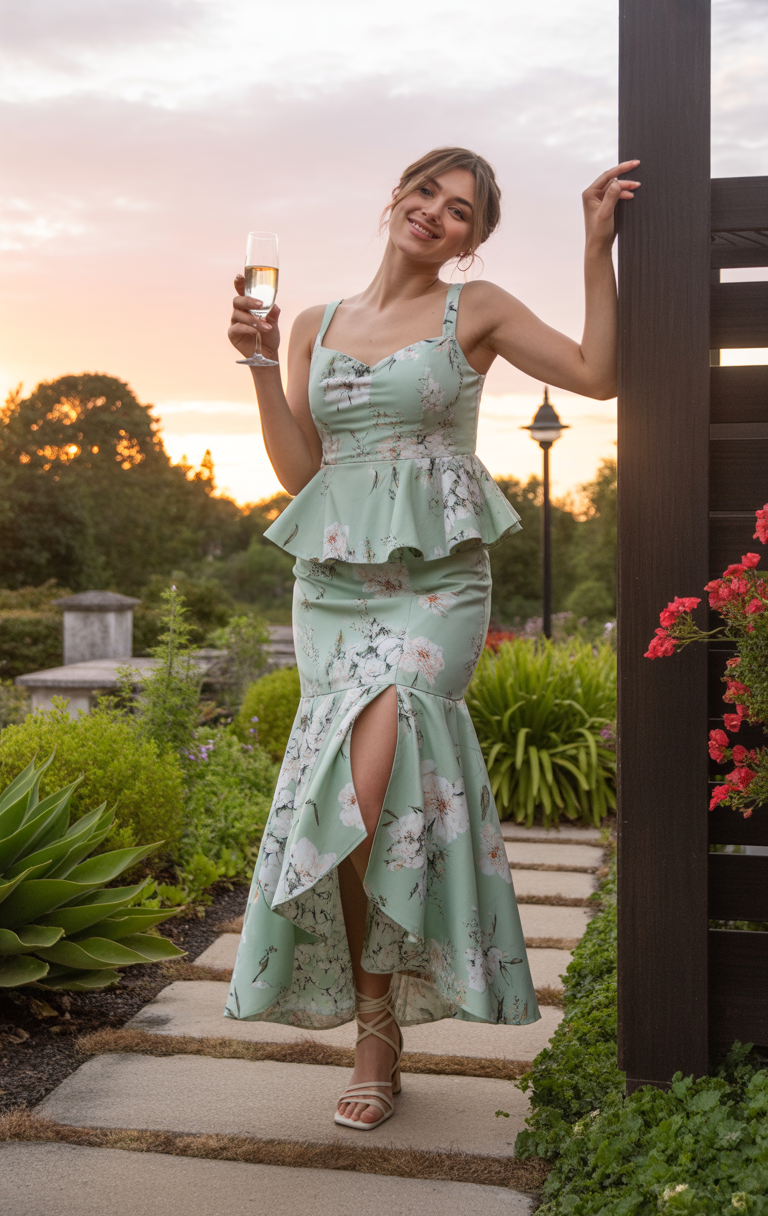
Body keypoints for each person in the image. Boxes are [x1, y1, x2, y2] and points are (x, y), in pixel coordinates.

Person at [225, 146, 639, 1130]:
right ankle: (378, 1027)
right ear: (397, 197)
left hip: (437, 584)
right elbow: (301, 472)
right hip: (334, 585)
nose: (435, 213)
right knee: (353, 804)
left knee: (370, 789)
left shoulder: (475, 309)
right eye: (426, 192)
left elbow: (598, 376)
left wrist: (597, 247)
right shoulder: (315, 322)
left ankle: (378, 1030)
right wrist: (260, 361)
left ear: (471, 241)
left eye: (459, 211)